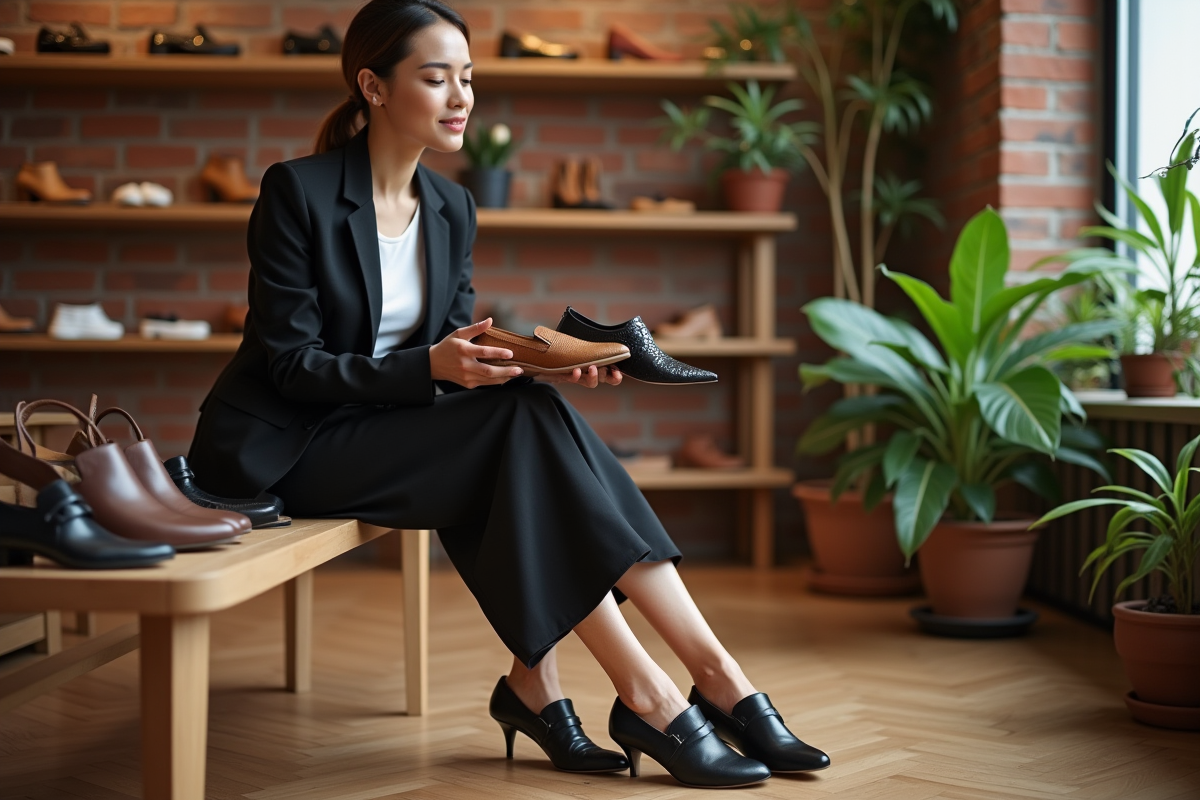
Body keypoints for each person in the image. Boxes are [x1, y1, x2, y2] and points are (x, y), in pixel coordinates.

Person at [188, 0, 829, 788]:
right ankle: (654, 693)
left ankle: (686, 678)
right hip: (291, 446)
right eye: (436, 78)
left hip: (390, 432)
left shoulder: (451, 207)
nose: (461, 97)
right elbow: (292, 365)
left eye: (467, 78)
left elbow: (456, 350)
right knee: (516, 440)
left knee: (529, 412)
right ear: (374, 86)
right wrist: (433, 369)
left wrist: (542, 363)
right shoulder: (299, 191)